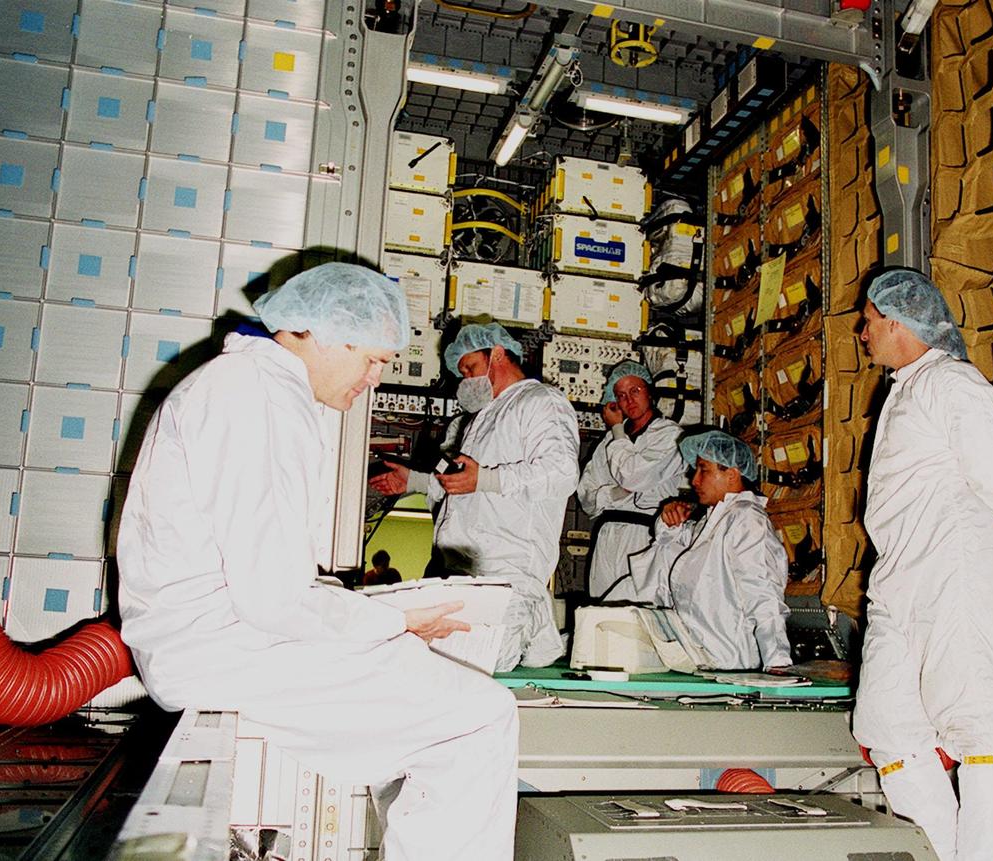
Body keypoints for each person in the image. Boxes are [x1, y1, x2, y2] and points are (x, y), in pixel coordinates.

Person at [117, 263, 519, 861]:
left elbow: (264, 572)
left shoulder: (250, 386)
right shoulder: (259, 397)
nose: (376, 380)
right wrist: (396, 620)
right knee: (481, 717)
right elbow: (272, 598)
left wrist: (368, 611)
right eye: (375, 360)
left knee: (434, 689)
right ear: (331, 333)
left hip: (215, 642)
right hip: (222, 650)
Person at [853, 268, 993, 861]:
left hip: (953, 564)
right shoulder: (903, 389)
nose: (863, 331)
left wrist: (972, 551)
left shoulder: (952, 383)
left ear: (901, 323)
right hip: (900, 574)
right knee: (885, 724)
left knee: (975, 719)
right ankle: (942, 850)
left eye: (871, 320)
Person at [368, 322, 579, 672]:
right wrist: (415, 482)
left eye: (470, 368)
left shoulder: (540, 402)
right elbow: (462, 487)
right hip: (464, 571)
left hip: (506, 569)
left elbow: (561, 473)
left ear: (497, 354)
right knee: (452, 667)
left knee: (482, 668)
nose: (466, 380)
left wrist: (487, 478)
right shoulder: (481, 419)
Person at [628, 429, 791, 670]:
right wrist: (669, 520)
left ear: (732, 474)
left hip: (730, 663)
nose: (694, 480)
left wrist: (777, 661)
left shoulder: (746, 520)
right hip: (702, 659)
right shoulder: (715, 519)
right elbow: (675, 547)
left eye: (703, 470)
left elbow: (762, 592)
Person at [576, 360, 686, 601]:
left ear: (649, 391)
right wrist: (614, 494)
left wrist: (617, 430)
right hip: (607, 536)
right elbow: (586, 497)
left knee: (638, 615)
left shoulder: (670, 435)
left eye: (635, 390)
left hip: (645, 536)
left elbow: (632, 475)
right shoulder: (607, 443)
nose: (629, 400)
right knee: (600, 613)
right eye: (621, 395)